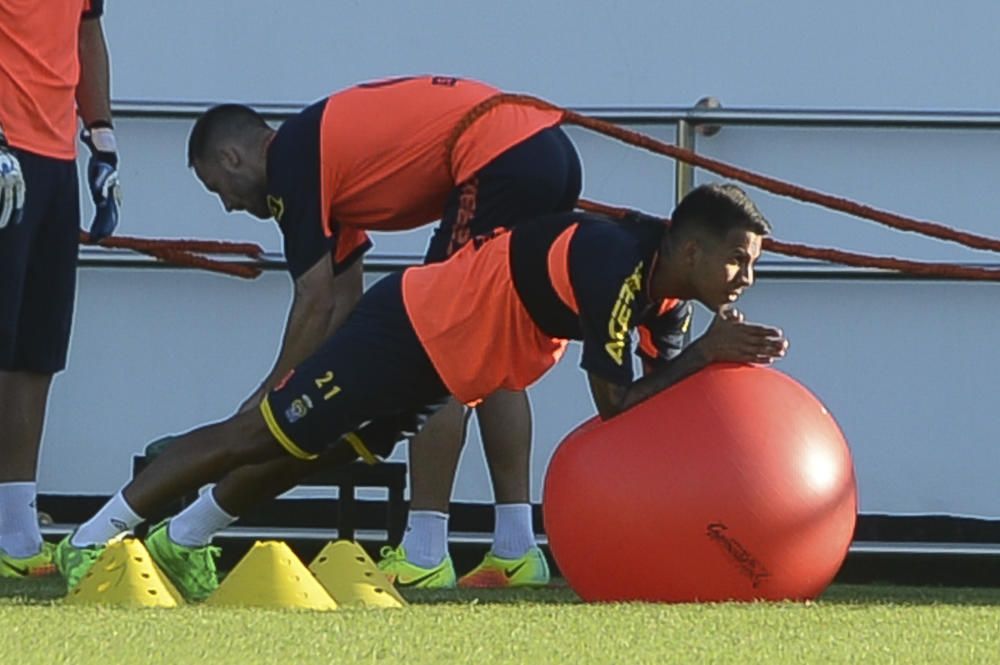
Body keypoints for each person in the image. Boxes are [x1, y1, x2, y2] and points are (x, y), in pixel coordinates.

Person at [55, 183, 788, 599]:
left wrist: (714, 362)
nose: (744, 279)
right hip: (409, 328)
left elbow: (665, 398)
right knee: (261, 431)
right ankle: (91, 539)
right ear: (690, 248)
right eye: (737, 260)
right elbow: (618, 404)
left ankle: (186, 538)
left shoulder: (671, 302)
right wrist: (707, 356)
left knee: (316, 454)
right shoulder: (618, 262)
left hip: (449, 365)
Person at [176, 75, 581, 588]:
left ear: (232, 158)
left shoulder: (290, 163)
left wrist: (271, 398)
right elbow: (343, 301)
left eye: (218, 189)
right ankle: (516, 548)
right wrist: (334, 387)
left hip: (499, 151)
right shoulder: (325, 168)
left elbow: (314, 296)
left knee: (444, 345)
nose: (228, 205)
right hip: (544, 146)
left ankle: (426, 552)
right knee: (493, 338)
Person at [0, 0, 122, 579]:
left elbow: (87, 30)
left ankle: (15, 530)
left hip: (53, 158)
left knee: (35, 348)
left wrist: (101, 139)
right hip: (5, 146)